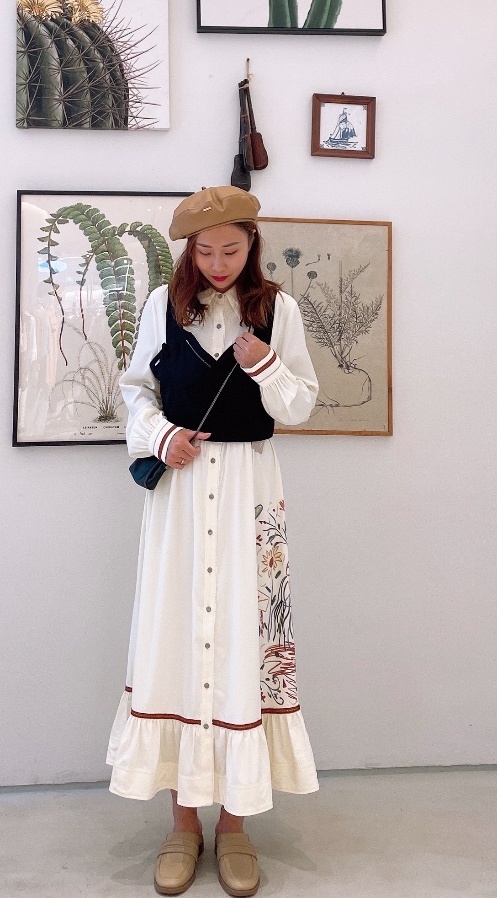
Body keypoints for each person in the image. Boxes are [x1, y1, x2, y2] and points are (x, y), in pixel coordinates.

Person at [106, 186, 319, 897]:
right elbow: (136, 390)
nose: (219, 263)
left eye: (231, 249)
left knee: (242, 643)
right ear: (189, 253)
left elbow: (300, 403)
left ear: (251, 245)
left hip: (251, 491)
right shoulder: (161, 307)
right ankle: (182, 826)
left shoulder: (278, 310)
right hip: (181, 488)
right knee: (176, 639)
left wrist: (264, 365)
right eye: (205, 251)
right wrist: (160, 436)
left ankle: (233, 827)